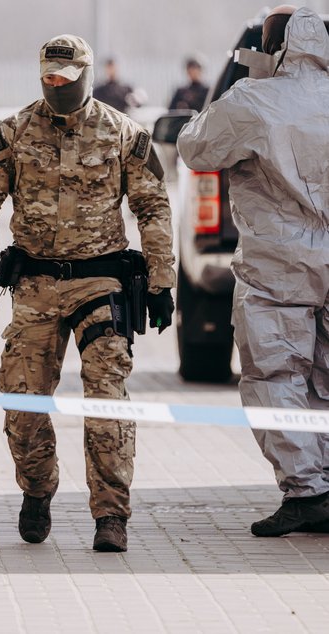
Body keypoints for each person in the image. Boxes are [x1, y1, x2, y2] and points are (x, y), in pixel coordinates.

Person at [0, 34, 175, 552]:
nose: (56, 84)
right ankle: (38, 490)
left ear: (86, 74)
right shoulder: (11, 133)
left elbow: (153, 208)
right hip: (34, 283)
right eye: (49, 76)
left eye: (66, 76)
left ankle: (110, 515)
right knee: (22, 399)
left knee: (106, 396)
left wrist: (163, 281)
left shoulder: (123, 133)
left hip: (101, 282)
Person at [177, 5, 329, 537]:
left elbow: (195, 148)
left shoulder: (253, 101)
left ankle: (308, 492)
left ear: (275, 48)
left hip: (278, 267)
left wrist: (247, 83)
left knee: (276, 375)